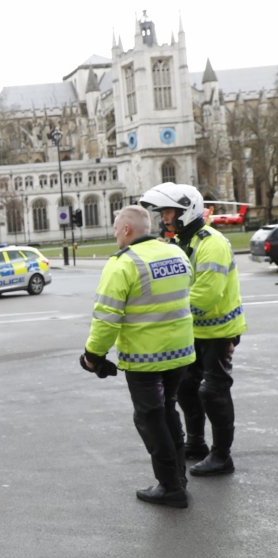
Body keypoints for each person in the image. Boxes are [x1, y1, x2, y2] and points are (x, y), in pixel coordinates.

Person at [81, 205, 195, 508]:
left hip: (146, 358)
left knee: (150, 418)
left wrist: (93, 356)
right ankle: (179, 478)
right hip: (181, 353)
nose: (115, 232)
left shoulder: (123, 264)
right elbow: (187, 291)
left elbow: (106, 318)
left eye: (117, 227)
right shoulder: (176, 253)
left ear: (128, 230)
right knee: (169, 411)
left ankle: (170, 487)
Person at [140, 183, 246, 476]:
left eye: (169, 212)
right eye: (163, 213)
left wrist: (168, 314)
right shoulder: (182, 243)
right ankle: (197, 443)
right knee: (187, 388)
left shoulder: (211, 243)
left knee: (213, 391)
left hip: (219, 331)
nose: (165, 218)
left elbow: (206, 297)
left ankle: (222, 456)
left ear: (187, 211)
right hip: (194, 332)